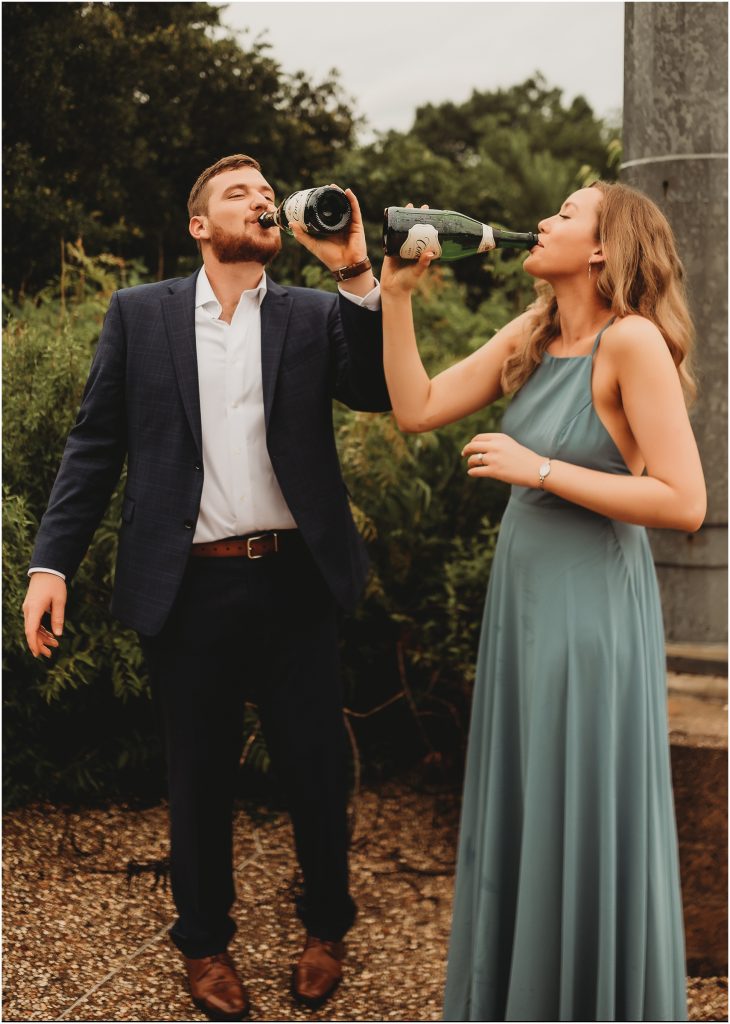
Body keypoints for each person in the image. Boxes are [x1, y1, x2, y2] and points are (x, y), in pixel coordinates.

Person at [22, 154, 390, 1021]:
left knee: (315, 768)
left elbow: (375, 391)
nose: (261, 201)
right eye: (239, 193)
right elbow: (93, 445)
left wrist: (357, 274)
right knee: (197, 776)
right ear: (199, 225)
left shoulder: (312, 313)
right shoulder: (139, 313)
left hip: (296, 579)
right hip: (188, 585)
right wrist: (50, 565)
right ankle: (203, 941)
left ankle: (326, 927)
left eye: (267, 193)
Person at [380, 181, 705, 1022]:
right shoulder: (533, 333)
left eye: (566, 214)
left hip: (590, 611)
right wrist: (396, 298)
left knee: (578, 804)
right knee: (528, 801)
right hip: (522, 608)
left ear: (602, 248)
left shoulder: (632, 341)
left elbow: (684, 501)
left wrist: (542, 470)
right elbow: (417, 408)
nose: (543, 221)